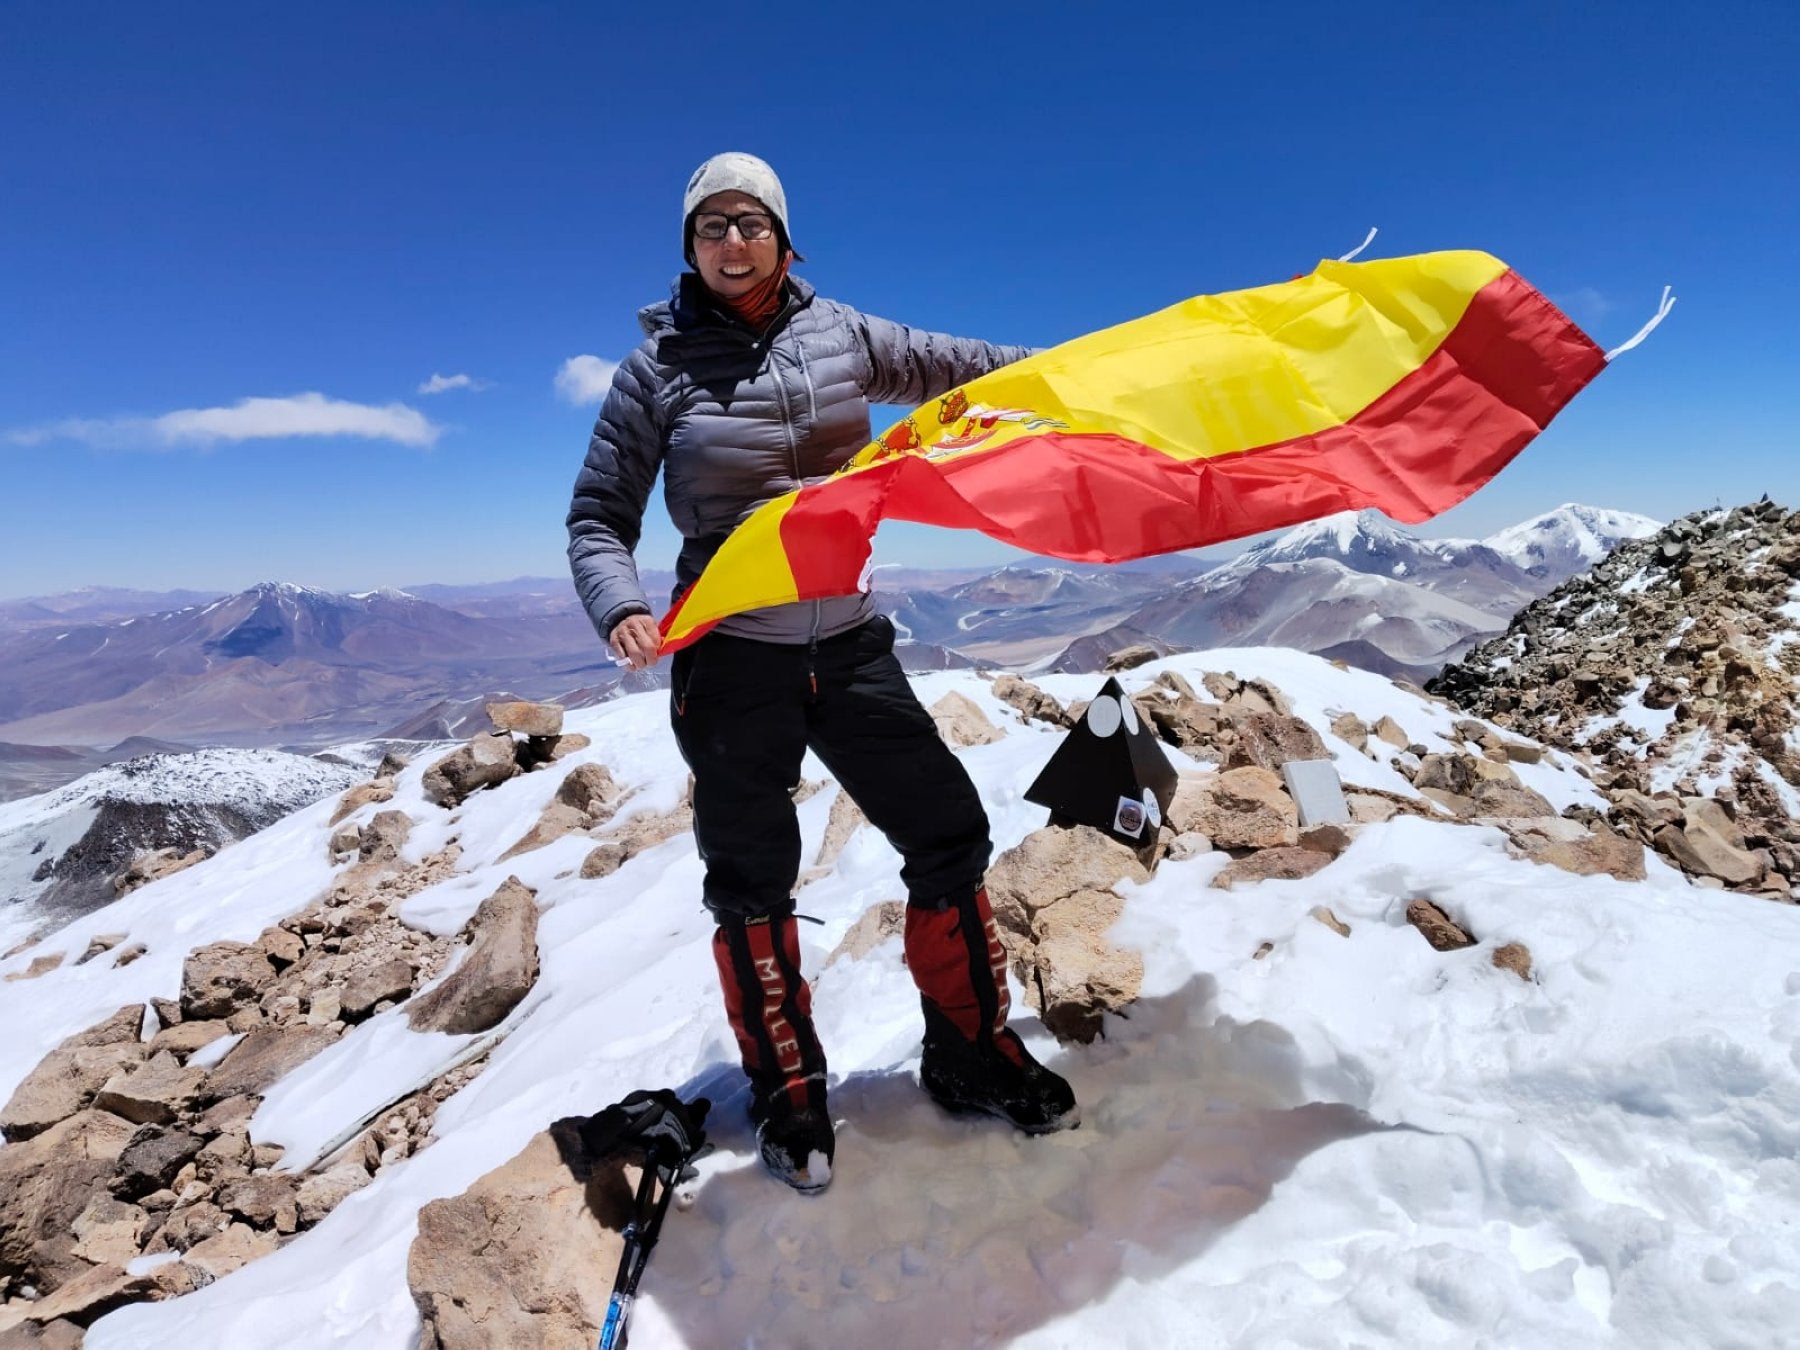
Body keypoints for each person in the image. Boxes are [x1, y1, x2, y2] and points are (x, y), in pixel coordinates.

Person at [567, 152, 1077, 1193]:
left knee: (948, 832)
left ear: (783, 236)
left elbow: (969, 365)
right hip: (729, 661)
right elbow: (597, 515)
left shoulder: (841, 335)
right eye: (711, 227)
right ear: (689, 247)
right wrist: (620, 602)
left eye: (750, 222)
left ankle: (971, 1053)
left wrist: (1094, 368)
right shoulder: (655, 369)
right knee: (751, 880)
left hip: (847, 644)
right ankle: (790, 1091)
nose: (732, 241)